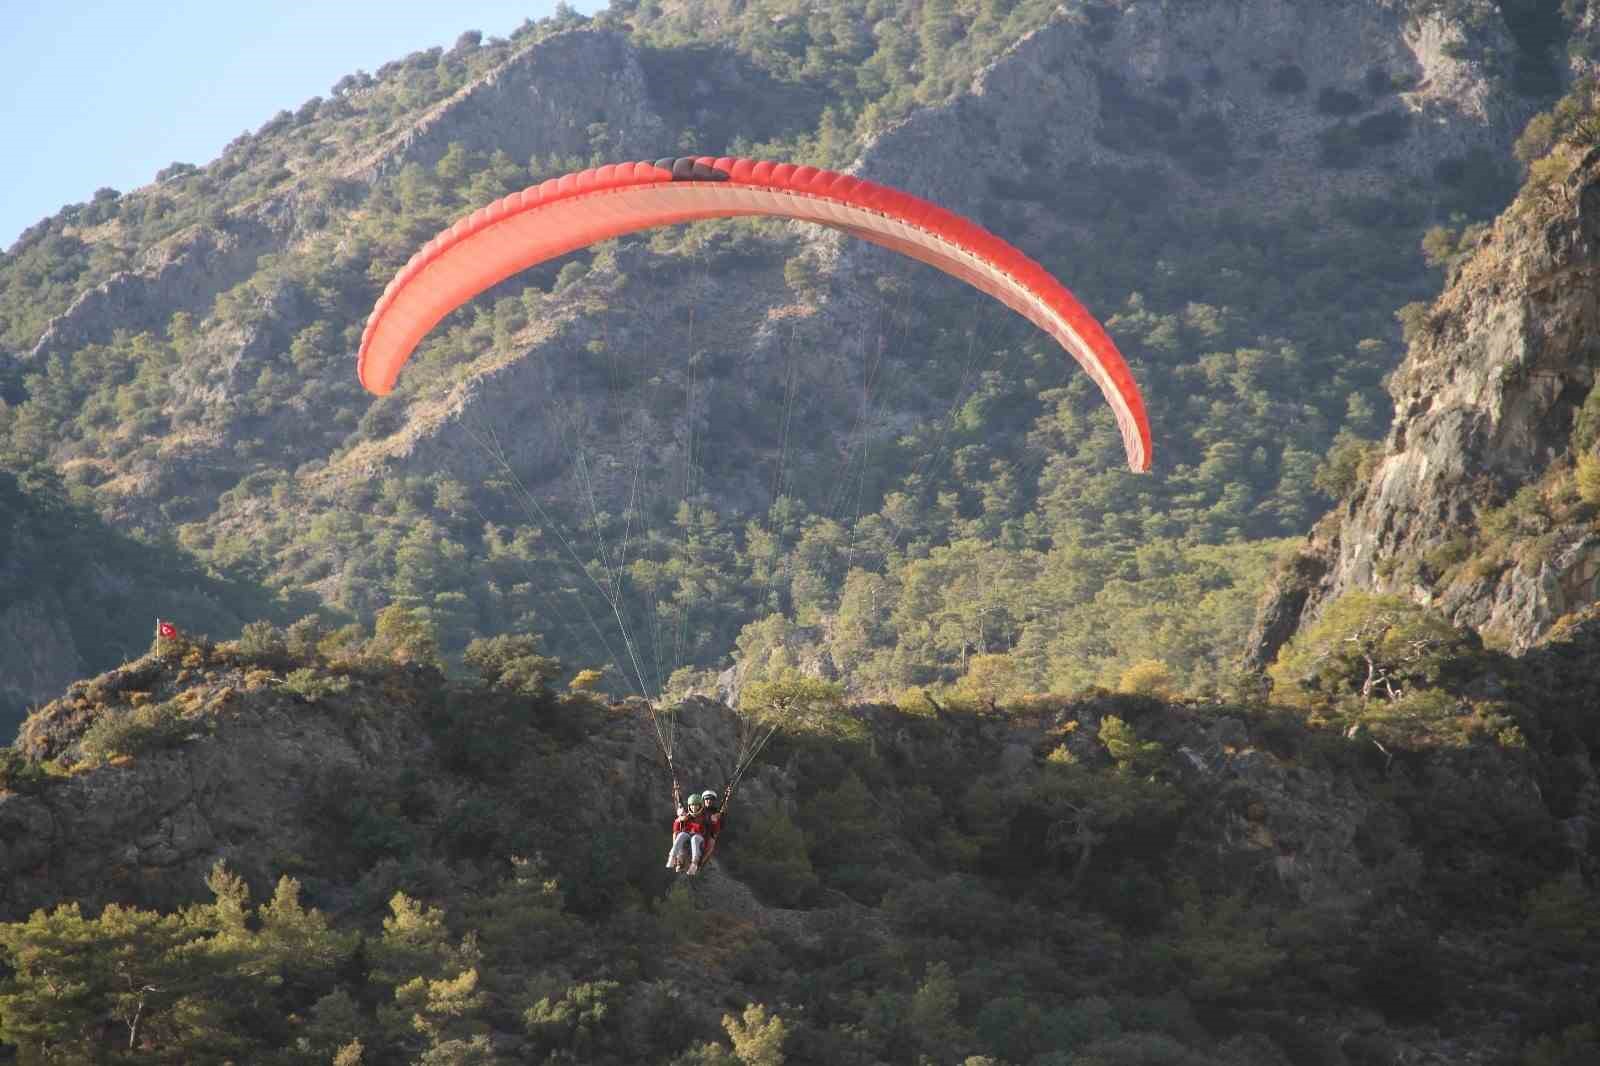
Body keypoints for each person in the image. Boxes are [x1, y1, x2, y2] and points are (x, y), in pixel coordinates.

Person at [665, 789, 707, 875]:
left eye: (696, 806)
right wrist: (680, 819)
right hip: (688, 835)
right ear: (689, 806)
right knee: (681, 834)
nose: (694, 808)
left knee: (694, 839)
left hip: (699, 838)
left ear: (700, 806)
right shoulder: (686, 816)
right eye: (692, 806)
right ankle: (672, 856)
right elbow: (676, 828)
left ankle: (694, 863)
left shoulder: (704, 816)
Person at [699, 789, 726, 867]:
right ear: (703, 800)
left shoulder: (717, 812)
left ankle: (701, 863)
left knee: (711, 845)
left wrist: (721, 816)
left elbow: (722, 826)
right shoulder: (698, 810)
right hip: (698, 832)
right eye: (706, 799)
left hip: (710, 834)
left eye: (711, 799)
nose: (709, 801)